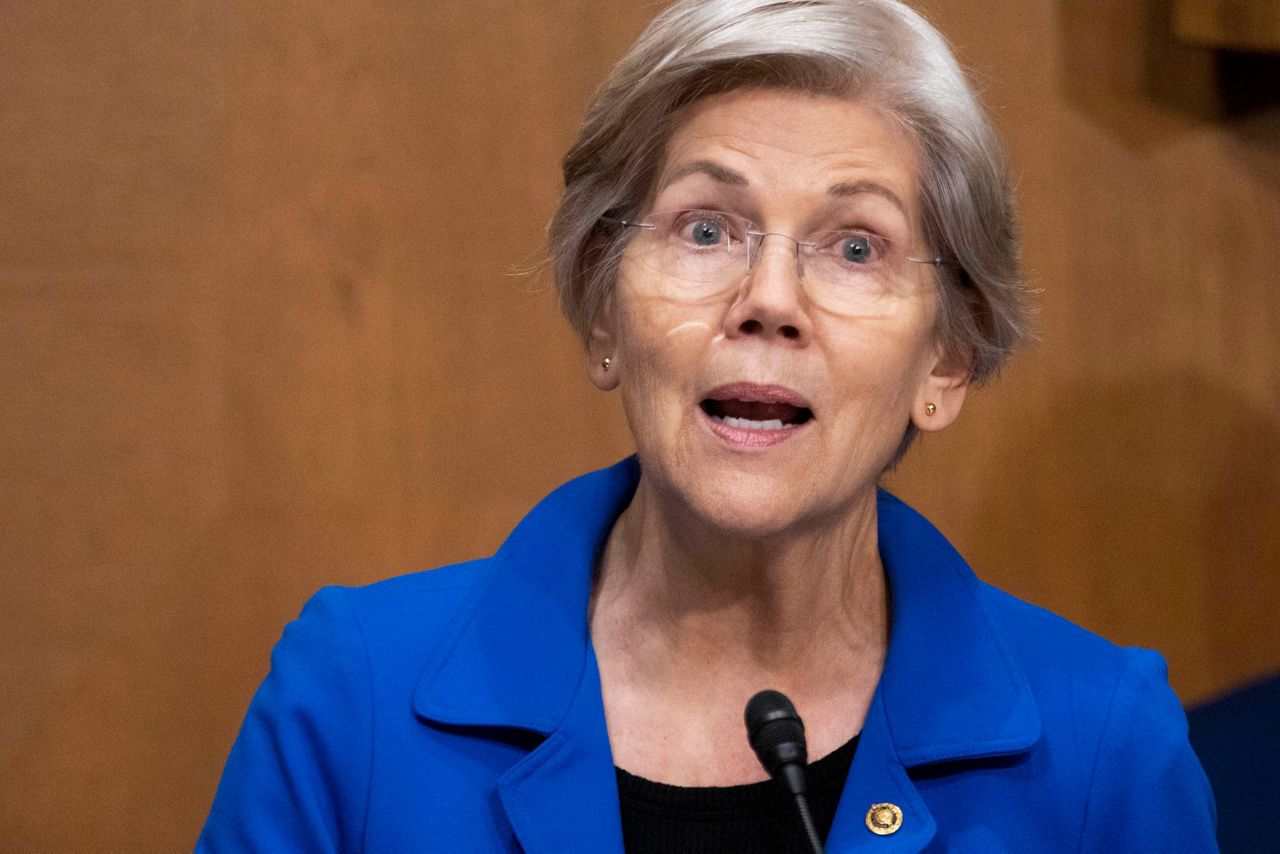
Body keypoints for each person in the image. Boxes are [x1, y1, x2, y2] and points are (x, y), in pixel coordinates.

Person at [197, 0, 1218, 851]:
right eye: (705, 228)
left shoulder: (1103, 752)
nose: (767, 298)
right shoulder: (354, 702)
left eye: (855, 247)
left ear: (946, 358)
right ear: (602, 306)